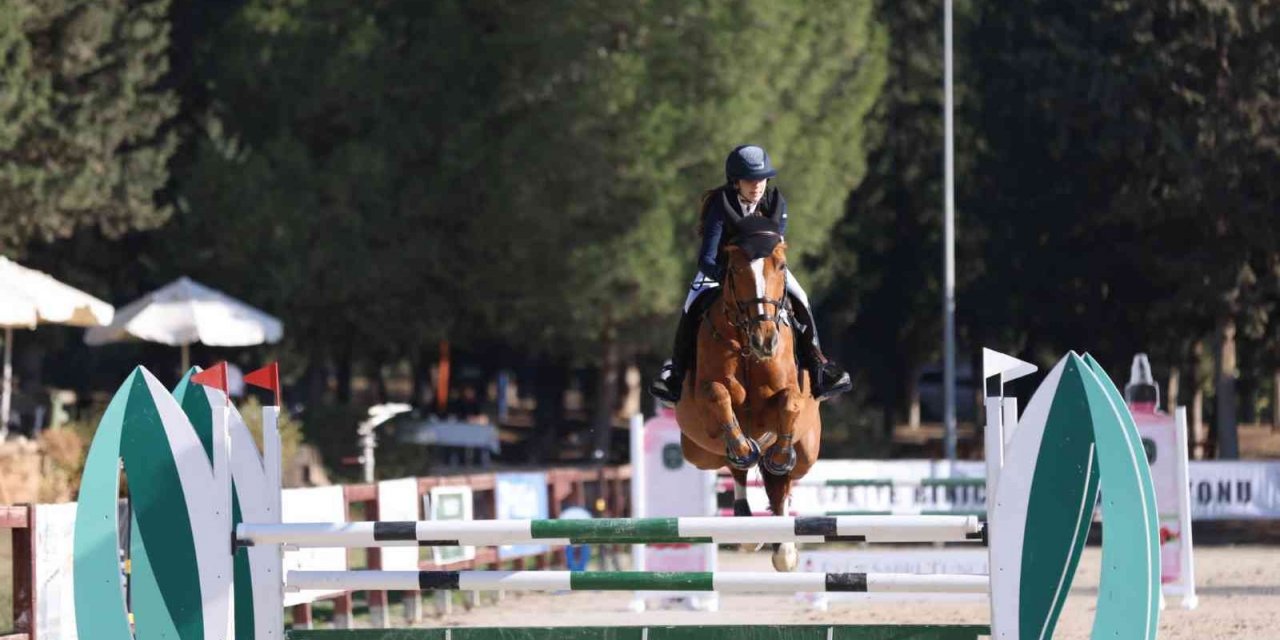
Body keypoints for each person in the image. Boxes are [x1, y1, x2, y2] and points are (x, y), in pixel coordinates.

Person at [649, 144, 851, 405]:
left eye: (762, 179)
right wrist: (731, 280)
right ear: (735, 182)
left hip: (766, 271)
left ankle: (819, 367)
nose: (757, 186)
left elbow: (775, 252)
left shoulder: (775, 204)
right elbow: (706, 258)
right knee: (691, 304)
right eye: (749, 180)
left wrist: (765, 278)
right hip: (723, 269)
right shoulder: (720, 207)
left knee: (801, 297)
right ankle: (675, 374)